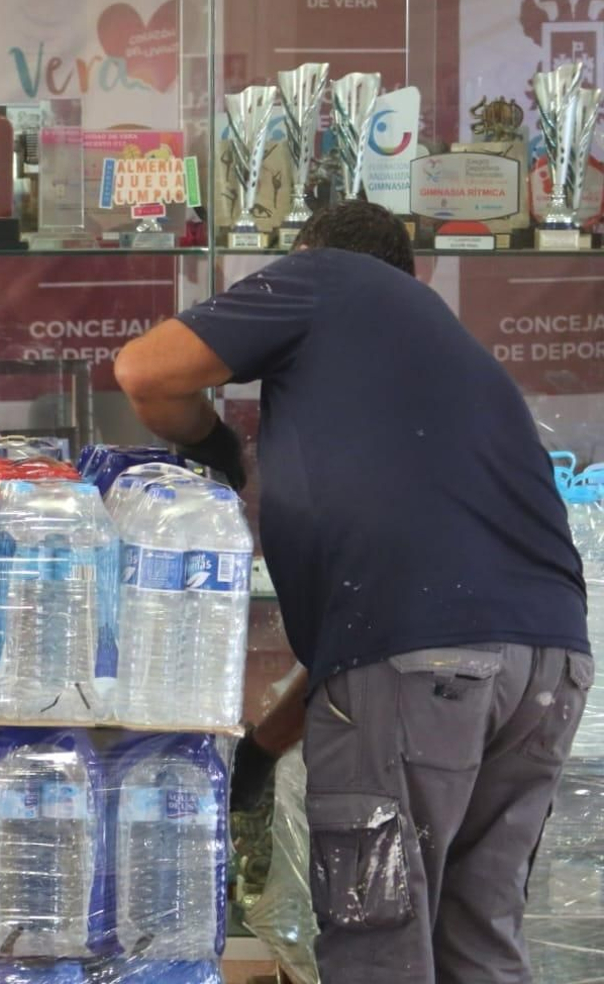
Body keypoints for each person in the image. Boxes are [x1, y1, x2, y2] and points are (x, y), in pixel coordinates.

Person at [113, 200, 591, 984]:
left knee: (379, 949)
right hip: (550, 669)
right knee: (481, 940)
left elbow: (146, 373)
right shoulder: (448, 358)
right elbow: (389, 645)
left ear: (306, 253)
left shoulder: (328, 276)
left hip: (426, 664)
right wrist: (263, 748)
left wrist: (215, 445)